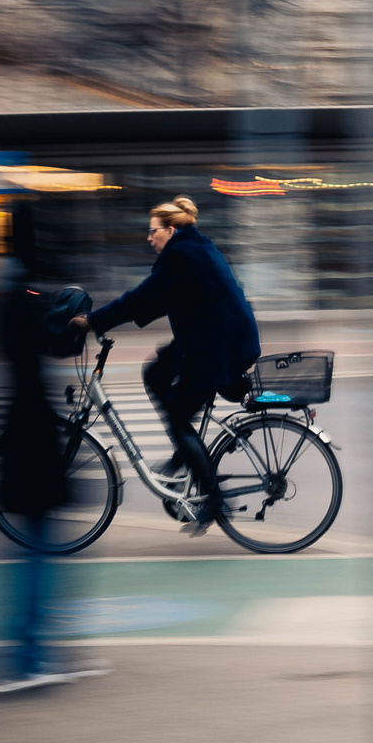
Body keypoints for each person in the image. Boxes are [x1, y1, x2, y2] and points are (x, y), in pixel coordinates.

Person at [0, 204, 111, 694]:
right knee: (39, 548)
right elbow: (53, 341)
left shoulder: (9, 288)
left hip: (23, 428)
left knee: (36, 547)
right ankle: (32, 657)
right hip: (33, 434)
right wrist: (77, 323)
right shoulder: (25, 292)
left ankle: (37, 651)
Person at [75, 197, 260, 536]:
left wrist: (94, 321)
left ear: (170, 230)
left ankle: (213, 501)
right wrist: (110, 320)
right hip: (214, 341)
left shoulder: (181, 254)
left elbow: (143, 297)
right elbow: (160, 299)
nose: (149, 238)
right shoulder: (194, 249)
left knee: (178, 418)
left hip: (217, 348)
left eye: (152, 232)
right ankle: (183, 455)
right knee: (155, 371)